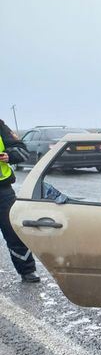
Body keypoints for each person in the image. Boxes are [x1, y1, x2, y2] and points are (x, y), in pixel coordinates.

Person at [0, 118, 40, 283]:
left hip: (3, 192)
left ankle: (27, 270)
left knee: (13, 231)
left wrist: (9, 155)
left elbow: (22, 150)